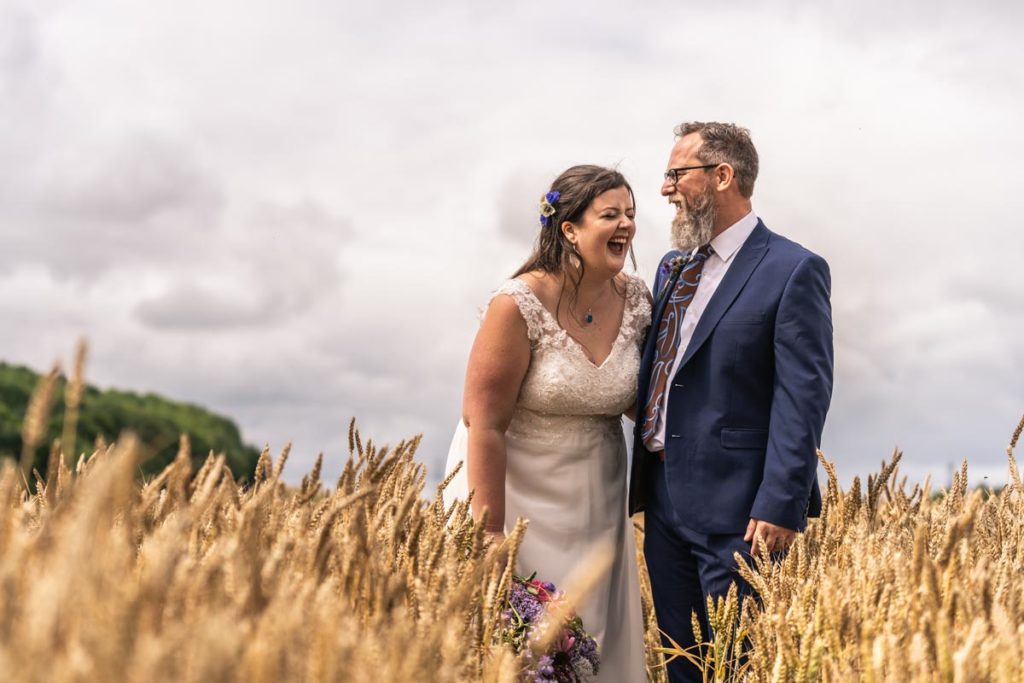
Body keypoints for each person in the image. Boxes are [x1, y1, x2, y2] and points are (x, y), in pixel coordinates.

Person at [629, 122, 834, 683]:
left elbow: (804, 395)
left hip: (742, 513)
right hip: (664, 502)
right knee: (683, 668)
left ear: (723, 176)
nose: (666, 188)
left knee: (737, 668)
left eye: (676, 174)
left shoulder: (792, 269)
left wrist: (780, 502)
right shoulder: (674, 268)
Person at [443, 165, 649, 682]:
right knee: (518, 651)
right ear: (570, 230)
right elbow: (483, 421)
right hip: (513, 498)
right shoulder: (517, 304)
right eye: (610, 215)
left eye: (630, 213)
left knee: (593, 646)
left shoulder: (640, 302)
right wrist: (490, 536)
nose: (625, 224)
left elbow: (641, 400)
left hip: (596, 502)